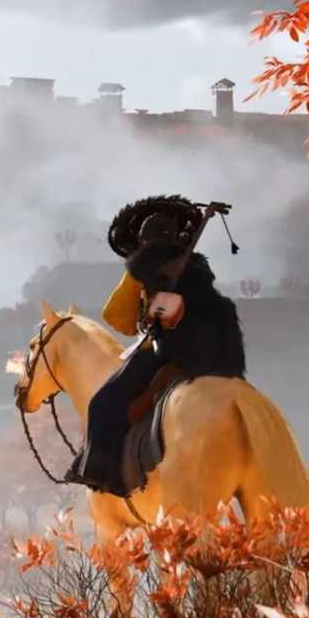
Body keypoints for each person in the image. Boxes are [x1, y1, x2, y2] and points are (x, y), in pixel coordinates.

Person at [64, 195, 246, 495]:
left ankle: (102, 474)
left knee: (102, 403)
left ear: (144, 242)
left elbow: (115, 316)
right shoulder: (197, 268)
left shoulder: (141, 268)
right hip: (214, 356)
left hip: (168, 351)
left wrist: (139, 318)